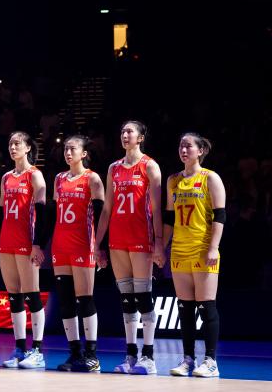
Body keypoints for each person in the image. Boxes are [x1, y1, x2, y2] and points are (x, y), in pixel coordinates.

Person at [96, 121, 164, 374]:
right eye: (122, 131)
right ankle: (131, 355)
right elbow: (107, 209)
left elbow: (156, 208)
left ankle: (149, 356)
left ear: (141, 137)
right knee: (126, 299)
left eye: (129, 132)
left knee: (143, 297)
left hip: (141, 239)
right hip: (117, 240)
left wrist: (159, 242)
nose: (124, 135)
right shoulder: (113, 168)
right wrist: (97, 243)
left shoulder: (149, 166)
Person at [164, 133, 226, 378]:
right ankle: (188, 359)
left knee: (206, 306)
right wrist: (161, 246)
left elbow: (220, 215)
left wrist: (213, 247)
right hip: (179, 249)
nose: (183, 150)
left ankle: (211, 361)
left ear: (200, 151)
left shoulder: (210, 178)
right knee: (185, 308)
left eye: (188, 146)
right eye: (181, 146)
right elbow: (169, 218)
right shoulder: (173, 180)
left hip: (202, 248)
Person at [0, 131, 48, 369]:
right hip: (6, 243)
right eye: (11, 144)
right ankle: (20, 348)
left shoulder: (35, 175)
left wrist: (37, 244)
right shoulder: (6, 178)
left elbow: (42, 212)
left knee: (33, 295)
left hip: (26, 243)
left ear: (28, 148)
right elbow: (1, 214)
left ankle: (38, 351)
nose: (13, 148)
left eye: (17, 144)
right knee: (14, 297)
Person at [52, 135, 106, 372]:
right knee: (65, 301)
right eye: (65, 149)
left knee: (85, 299)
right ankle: (74, 353)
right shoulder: (59, 178)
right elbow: (54, 213)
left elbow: (101, 215)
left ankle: (92, 355)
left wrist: (100, 246)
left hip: (83, 245)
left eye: (72, 149)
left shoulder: (92, 178)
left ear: (84, 153)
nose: (68, 152)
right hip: (60, 246)